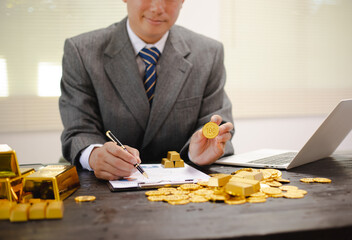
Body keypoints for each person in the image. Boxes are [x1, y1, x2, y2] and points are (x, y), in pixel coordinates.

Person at [59, 0, 234, 180]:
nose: (157, 9)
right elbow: (78, 129)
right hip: (103, 188)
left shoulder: (209, 53)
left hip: (183, 187)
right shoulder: (81, 51)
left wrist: (198, 152)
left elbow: (216, 121)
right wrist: (94, 155)